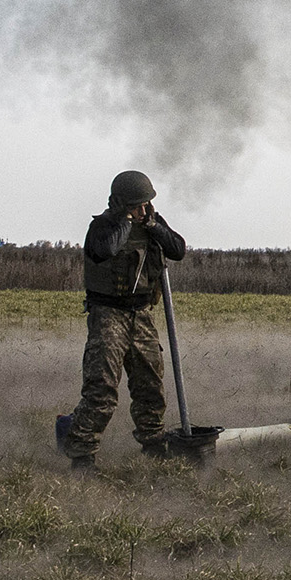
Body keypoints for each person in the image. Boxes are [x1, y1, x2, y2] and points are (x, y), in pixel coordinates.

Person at [58, 170, 188, 472]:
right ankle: (82, 453)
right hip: (108, 314)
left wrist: (152, 225)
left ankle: (153, 443)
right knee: (101, 388)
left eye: (146, 204)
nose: (143, 210)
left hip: (141, 314)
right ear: (120, 203)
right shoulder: (103, 227)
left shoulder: (152, 223)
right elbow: (106, 250)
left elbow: (178, 249)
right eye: (136, 205)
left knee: (150, 384)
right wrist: (125, 221)